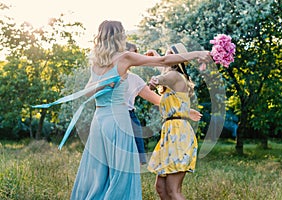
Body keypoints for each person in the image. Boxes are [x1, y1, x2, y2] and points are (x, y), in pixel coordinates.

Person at [70, 20, 210, 200]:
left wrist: (103, 83)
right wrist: (197, 53)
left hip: (99, 121)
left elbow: (87, 91)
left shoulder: (96, 63)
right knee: (121, 173)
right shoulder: (125, 57)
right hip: (117, 121)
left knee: (98, 173)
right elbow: (164, 60)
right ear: (118, 37)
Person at [125, 42, 202, 165]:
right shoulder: (108, 73)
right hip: (109, 118)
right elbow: (166, 67)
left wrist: (184, 110)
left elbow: (160, 93)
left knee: (132, 163)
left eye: (136, 53)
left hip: (129, 118)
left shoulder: (135, 79)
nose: (136, 57)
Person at [147, 43, 199, 200]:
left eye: (169, 54)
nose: (165, 57)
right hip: (171, 133)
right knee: (161, 188)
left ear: (177, 60)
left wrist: (153, 81)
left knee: (172, 190)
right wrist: (155, 55)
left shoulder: (175, 77)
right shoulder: (174, 76)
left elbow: (160, 77)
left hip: (178, 133)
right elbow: (164, 66)